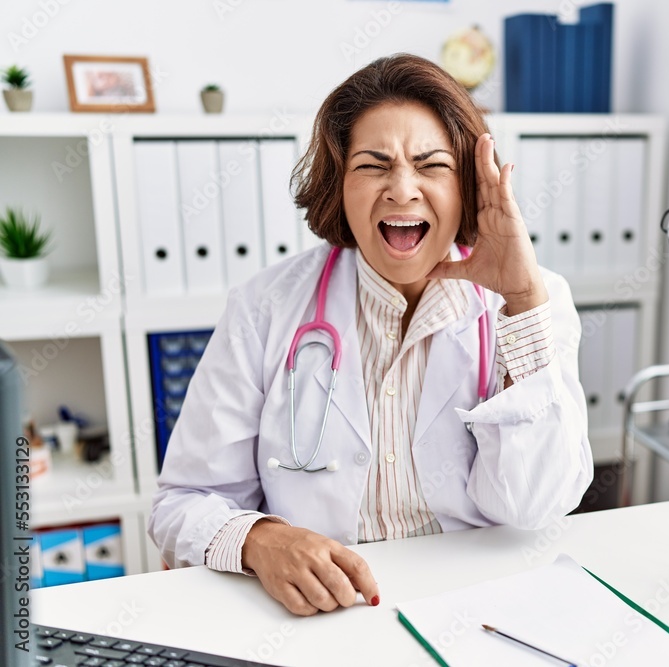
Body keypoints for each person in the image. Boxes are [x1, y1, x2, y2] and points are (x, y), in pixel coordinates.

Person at [148, 53, 593, 617]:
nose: (402, 191)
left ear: (470, 188)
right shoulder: (266, 307)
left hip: (480, 610)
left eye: (432, 166)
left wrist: (522, 306)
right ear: (339, 186)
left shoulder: (535, 298)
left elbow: (535, 506)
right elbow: (180, 504)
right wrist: (261, 540)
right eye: (373, 165)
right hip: (320, 618)